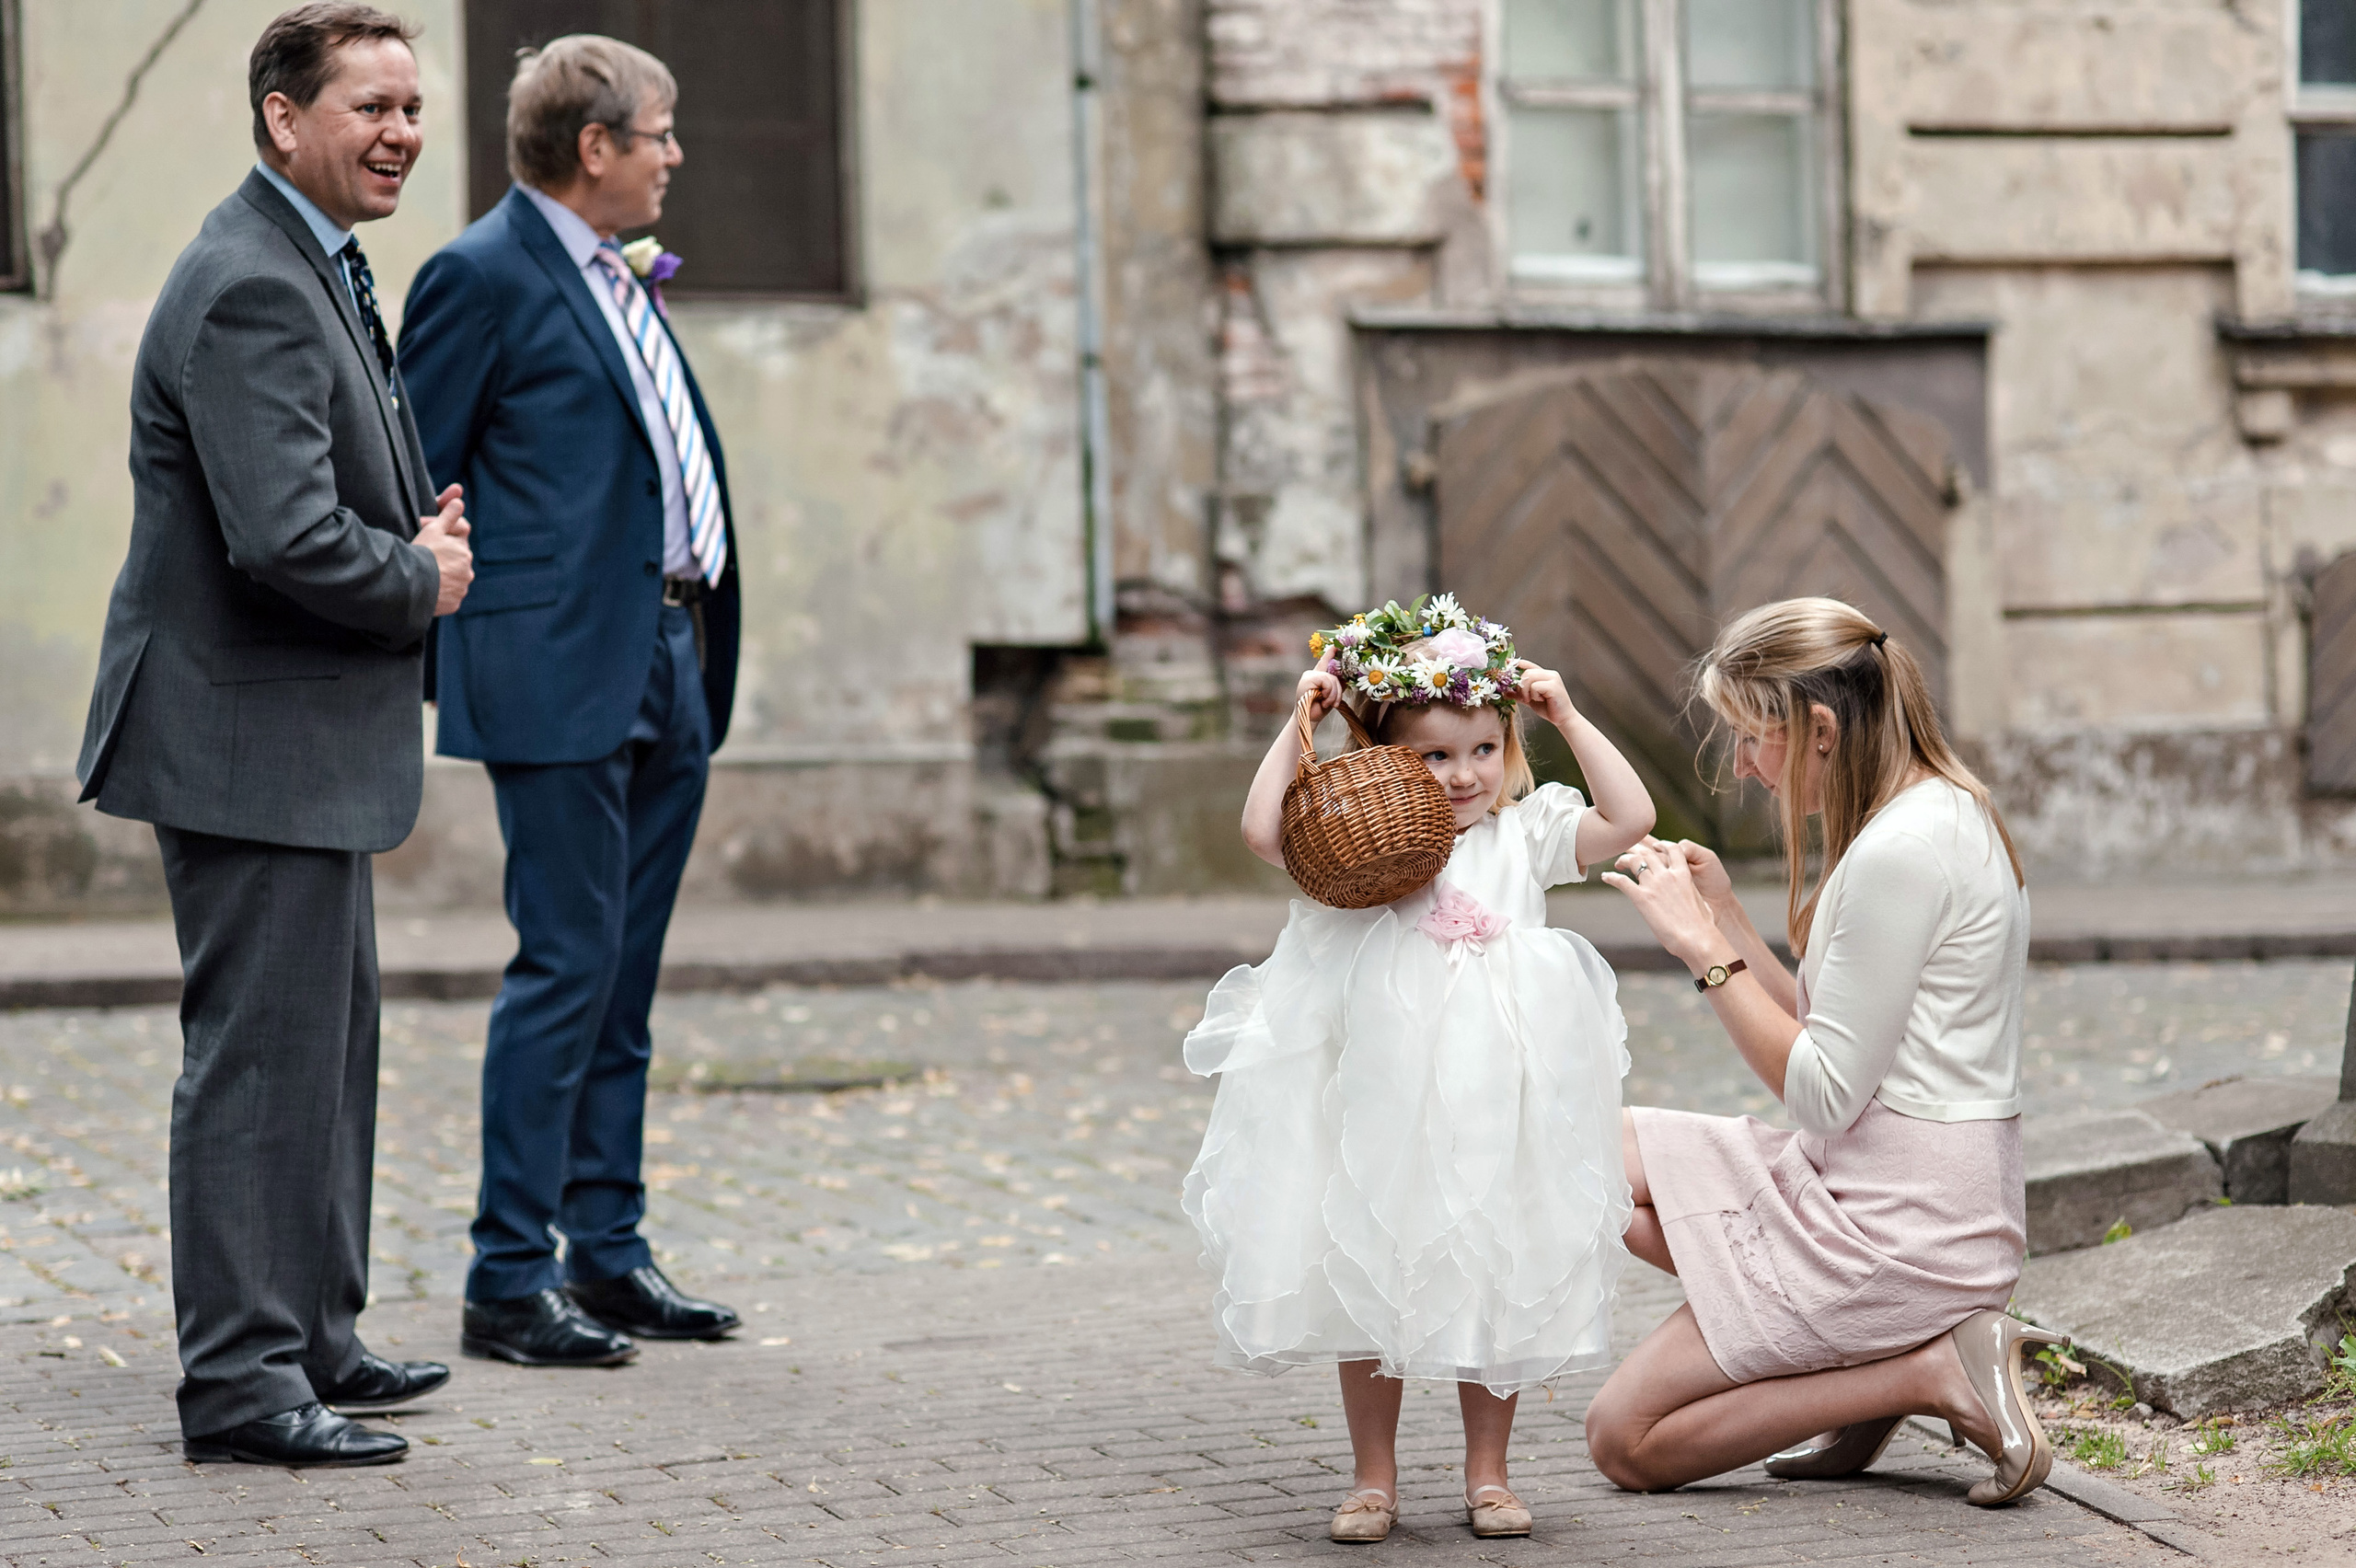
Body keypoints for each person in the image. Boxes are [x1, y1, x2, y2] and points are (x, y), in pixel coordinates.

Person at [73, 3, 473, 1467]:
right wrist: (414, 576)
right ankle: (243, 1388)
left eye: (413, 107)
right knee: (258, 1065)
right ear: (281, 118)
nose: (401, 132)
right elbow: (283, 534)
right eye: (369, 105)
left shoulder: (310, 259)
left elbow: (324, 482)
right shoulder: (248, 278)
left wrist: (411, 529)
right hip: (247, 745)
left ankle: (315, 1338)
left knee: (329, 1052)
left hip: (300, 745)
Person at [397, 33, 743, 1367]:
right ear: (591, 148)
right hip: (555, 670)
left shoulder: (620, 274)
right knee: (564, 967)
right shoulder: (480, 276)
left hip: (669, 653)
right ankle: (504, 1278)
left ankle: (607, 1254)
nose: (673, 153)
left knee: (626, 976)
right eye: (657, 131)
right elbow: (412, 474)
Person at [1182, 595, 1657, 1543]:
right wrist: (1299, 722)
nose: (1464, 774)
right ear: (1392, 755)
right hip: (1387, 1100)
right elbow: (1263, 835)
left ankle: (1489, 1473)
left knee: (1496, 1260)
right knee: (1373, 1261)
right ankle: (1373, 1478)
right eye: (1436, 756)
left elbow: (1632, 813)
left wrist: (1564, 714)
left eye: (1482, 750)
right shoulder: (1367, 845)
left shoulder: (1530, 832)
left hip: (1499, 1098)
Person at [1585, 596, 2064, 1506]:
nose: (1743, 768)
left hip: (1904, 1225)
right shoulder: (1935, 813)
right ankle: (1867, 1356)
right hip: (1878, 1183)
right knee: (1582, 1154)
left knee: (1625, 1441)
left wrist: (1702, 951)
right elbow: (1828, 1031)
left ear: (1818, 729)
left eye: (1750, 739)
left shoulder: (1904, 851)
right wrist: (1724, 912)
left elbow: (1821, 1092)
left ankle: (1922, 1372)